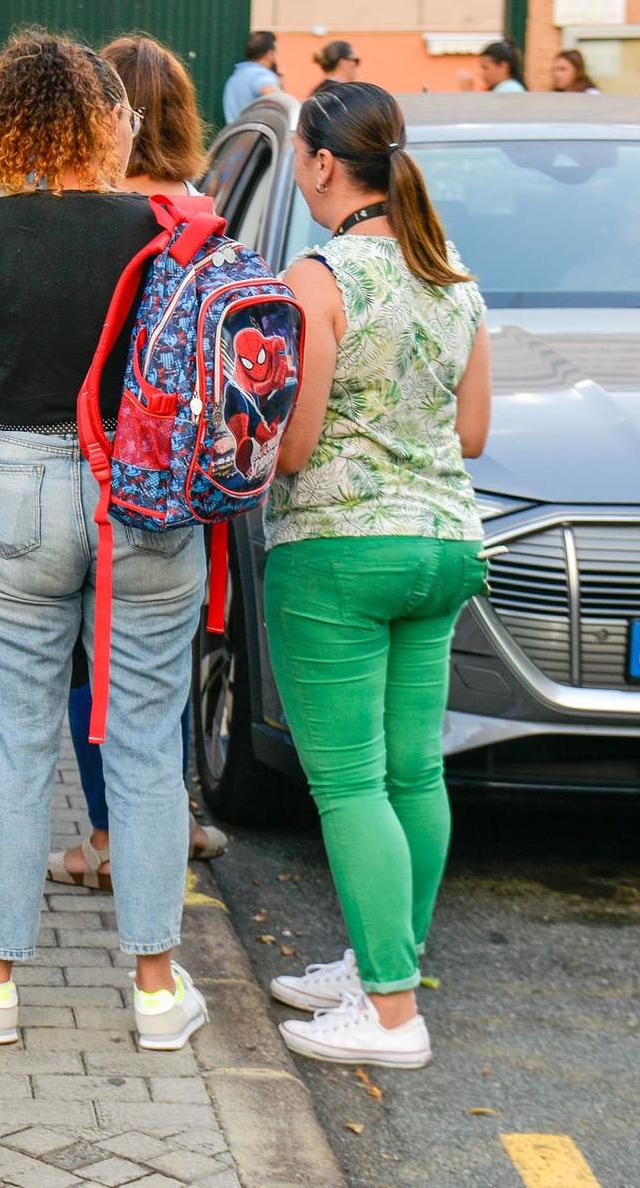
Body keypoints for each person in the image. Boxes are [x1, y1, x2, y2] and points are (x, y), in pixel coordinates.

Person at [0, 31, 211, 1053]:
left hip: (20, 480)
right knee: (142, 732)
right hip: (145, 494)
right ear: (107, 122)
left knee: (14, 736)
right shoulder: (162, 229)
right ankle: (158, 990)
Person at [263, 81, 490, 1070]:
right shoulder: (452, 276)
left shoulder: (320, 278)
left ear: (318, 162)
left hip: (336, 552)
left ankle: (390, 1012)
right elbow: (471, 432)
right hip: (443, 543)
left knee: (349, 781)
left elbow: (295, 444)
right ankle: (377, 960)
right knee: (411, 771)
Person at [50, 36, 225, 891]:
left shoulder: (94, 209)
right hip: (182, 474)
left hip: (91, 458)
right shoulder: (200, 212)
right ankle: (174, 813)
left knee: (90, 662)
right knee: (161, 661)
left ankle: (113, 836)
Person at [222, 29, 281, 122]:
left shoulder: (236, 76)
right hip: (258, 134)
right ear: (269, 54)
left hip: (234, 134)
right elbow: (278, 103)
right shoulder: (261, 75)